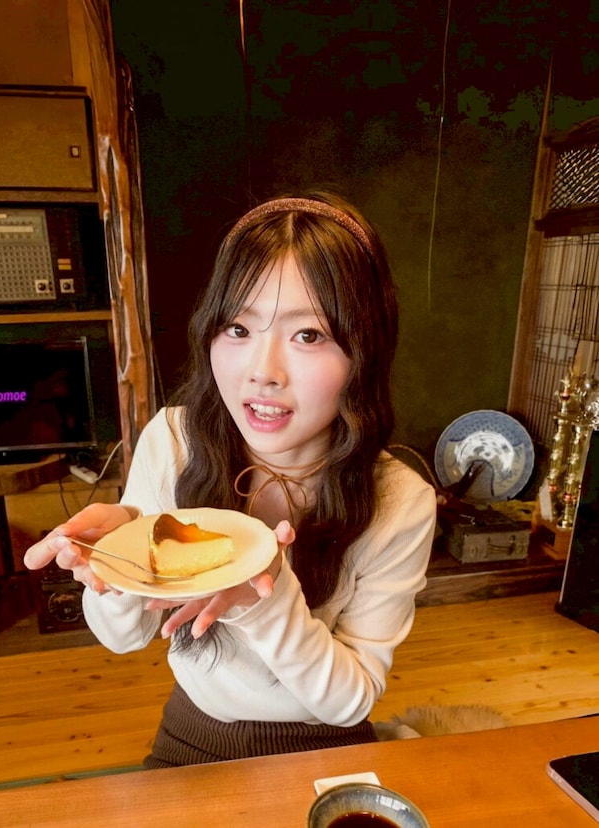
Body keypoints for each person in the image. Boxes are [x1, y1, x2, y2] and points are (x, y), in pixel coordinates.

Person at [24, 191, 437, 767]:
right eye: (238, 328)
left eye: (308, 334)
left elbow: (352, 701)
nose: (262, 373)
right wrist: (117, 562)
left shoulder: (401, 500)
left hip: (323, 744)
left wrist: (265, 598)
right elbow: (122, 638)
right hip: (193, 732)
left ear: (365, 349)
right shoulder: (173, 443)